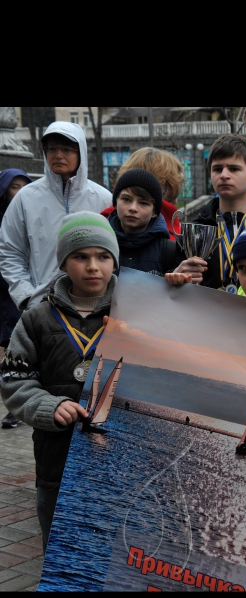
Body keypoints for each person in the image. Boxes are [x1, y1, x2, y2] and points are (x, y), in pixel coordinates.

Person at [0, 212, 119, 552]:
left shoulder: (133, 314)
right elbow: (14, 380)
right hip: (55, 459)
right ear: (64, 263)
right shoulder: (35, 318)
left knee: (109, 544)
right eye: (80, 256)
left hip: (113, 460)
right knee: (60, 545)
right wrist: (47, 406)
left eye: (103, 256)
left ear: (115, 262)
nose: (93, 266)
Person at [0, 122, 112, 312]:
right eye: (52, 149)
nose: (58, 155)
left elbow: (115, 253)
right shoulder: (25, 198)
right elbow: (9, 251)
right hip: (42, 307)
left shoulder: (103, 198)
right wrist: (27, 297)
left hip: (94, 308)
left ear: (80, 152)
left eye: (67, 149)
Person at [176, 135, 246, 290]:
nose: (224, 175)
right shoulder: (195, 231)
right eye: (217, 169)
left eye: (234, 169)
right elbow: (177, 285)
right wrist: (177, 276)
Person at [107, 169, 189, 276]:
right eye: (126, 199)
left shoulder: (170, 251)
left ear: (154, 211)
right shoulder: (100, 245)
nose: (133, 208)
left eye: (143, 203)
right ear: (115, 203)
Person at [1, 170, 32, 429]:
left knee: (17, 348)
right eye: (14, 186)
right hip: (3, 293)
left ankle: (16, 408)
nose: (19, 191)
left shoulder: (28, 215)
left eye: (24, 186)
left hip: (19, 295)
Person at [100, 148, 185, 237]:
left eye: (143, 203)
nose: (175, 200)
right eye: (126, 199)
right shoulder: (171, 237)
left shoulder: (101, 225)